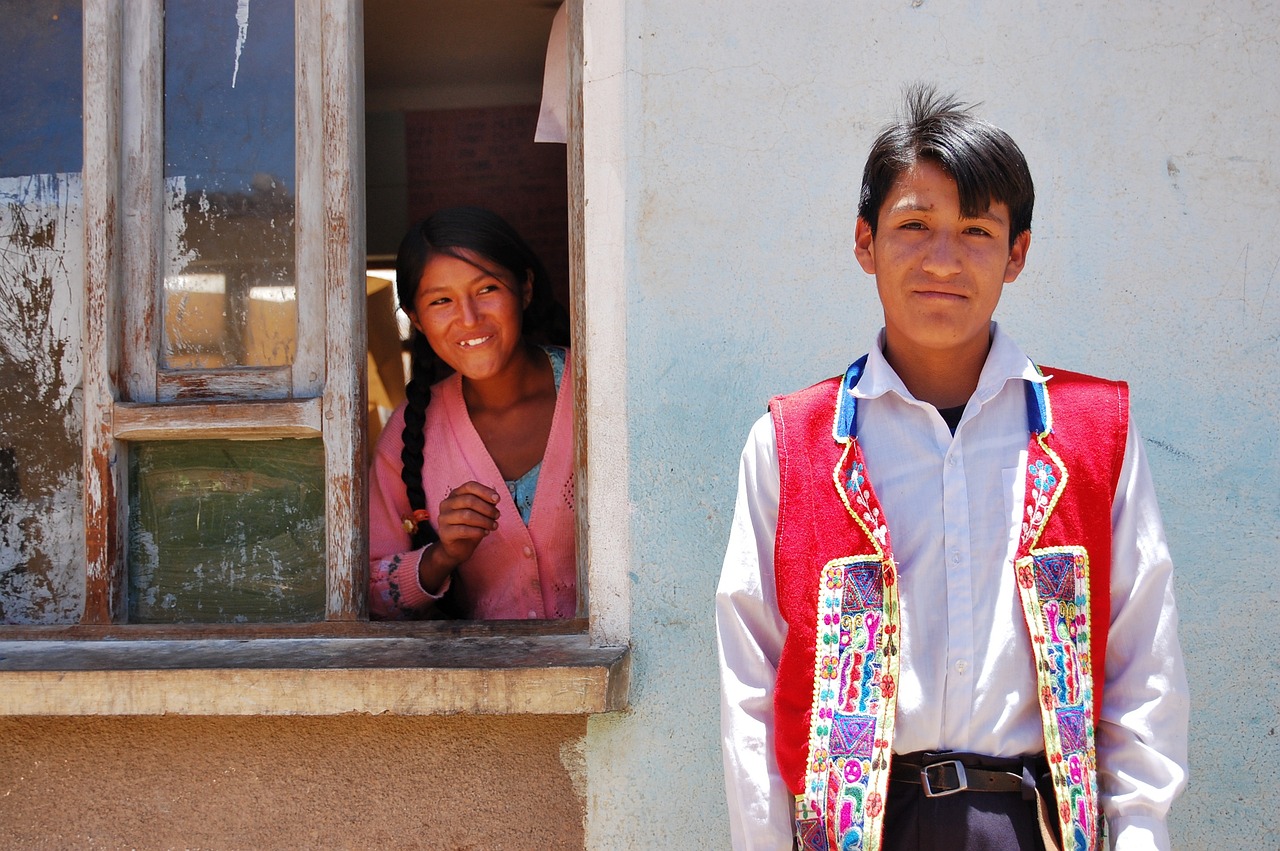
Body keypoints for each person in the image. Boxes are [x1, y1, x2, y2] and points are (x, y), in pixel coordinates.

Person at [716, 87, 1188, 851]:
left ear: (1018, 252)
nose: (943, 258)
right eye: (913, 225)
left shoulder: (1092, 433)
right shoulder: (792, 444)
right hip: (858, 831)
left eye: (975, 229)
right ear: (864, 243)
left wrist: (1137, 835)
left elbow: (1143, 665)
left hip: (1037, 825)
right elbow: (751, 689)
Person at [369, 206, 574, 620]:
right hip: (484, 685)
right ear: (417, 320)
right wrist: (442, 557)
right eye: (441, 300)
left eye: (486, 290)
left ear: (525, 288)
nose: (468, 318)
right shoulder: (409, 431)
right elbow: (368, 592)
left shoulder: (598, 394)